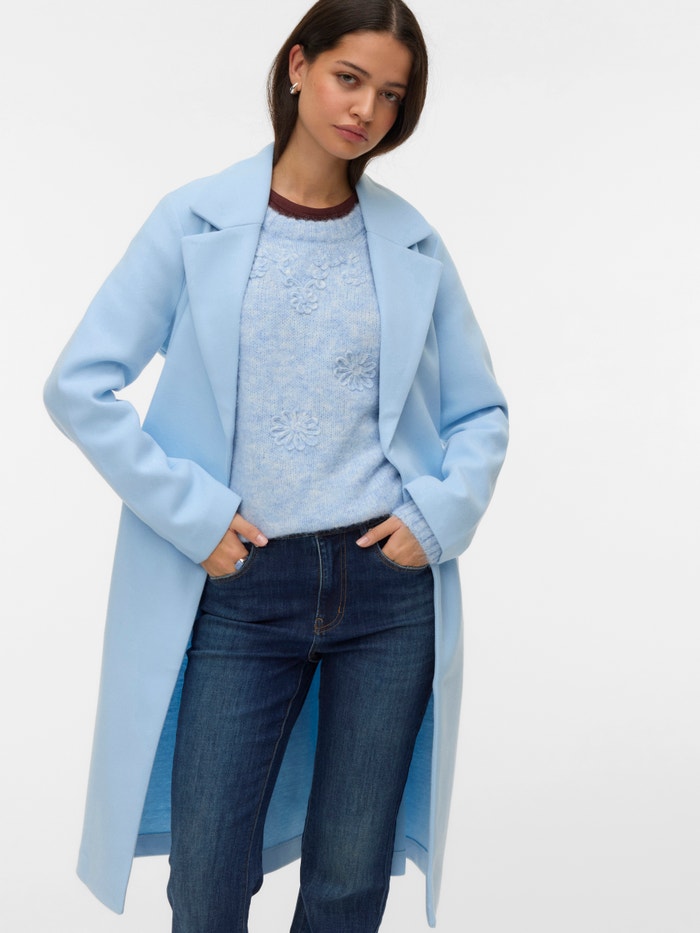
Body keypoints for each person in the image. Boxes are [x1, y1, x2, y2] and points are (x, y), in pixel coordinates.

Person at [44, 0, 508, 930]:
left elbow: (480, 413)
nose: (365, 110)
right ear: (297, 66)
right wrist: (195, 516)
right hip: (243, 583)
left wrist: (435, 517)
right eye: (348, 78)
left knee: (348, 879)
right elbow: (79, 384)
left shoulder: (412, 240)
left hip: (385, 594)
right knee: (207, 876)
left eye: (390, 94)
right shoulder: (193, 220)